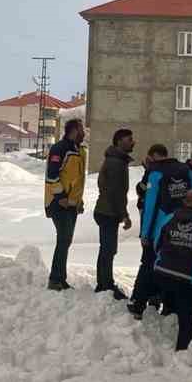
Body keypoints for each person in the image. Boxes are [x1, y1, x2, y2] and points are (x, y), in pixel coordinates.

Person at [129, 149, 192, 317]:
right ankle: (169, 307)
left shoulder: (156, 174)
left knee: (148, 266)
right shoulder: (186, 171)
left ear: (153, 160)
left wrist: (145, 234)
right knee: (173, 268)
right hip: (181, 229)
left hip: (158, 231)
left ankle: (137, 303)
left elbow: (150, 205)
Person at [149, 188, 192, 351]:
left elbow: (156, 242)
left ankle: (155, 346)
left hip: (162, 273)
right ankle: (181, 352)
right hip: (186, 279)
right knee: (186, 321)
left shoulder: (169, 218)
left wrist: (163, 260)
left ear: (184, 202)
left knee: (167, 308)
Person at [44, 117, 86, 290]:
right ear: (74, 131)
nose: (84, 133)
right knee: (63, 239)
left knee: (65, 240)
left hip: (71, 204)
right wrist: (60, 195)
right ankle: (55, 279)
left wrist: (78, 200)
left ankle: (60, 278)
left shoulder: (78, 151)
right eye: (82, 129)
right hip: (59, 203)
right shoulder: (60, 149)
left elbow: (76, 180)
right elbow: (51, 175)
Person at [93, 128, 134, 297]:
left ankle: (104, 283)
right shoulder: (116, 163)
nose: (133, 142)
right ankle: (105, 285)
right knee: (108, 249)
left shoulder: (115, 160)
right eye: (129, 139)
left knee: (107, 249)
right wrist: (124, 215)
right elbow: (115, 192)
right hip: (108, 211)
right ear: (119, 142)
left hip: (106, 210)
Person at [132, 142, 168, 306]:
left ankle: (149, 297)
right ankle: (149, 296)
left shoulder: (160, 174)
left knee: (152, 263)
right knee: (150, 263)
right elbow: (141, 190)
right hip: (151, 225)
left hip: (157, 228)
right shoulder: (152, 173)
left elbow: (145, 194)